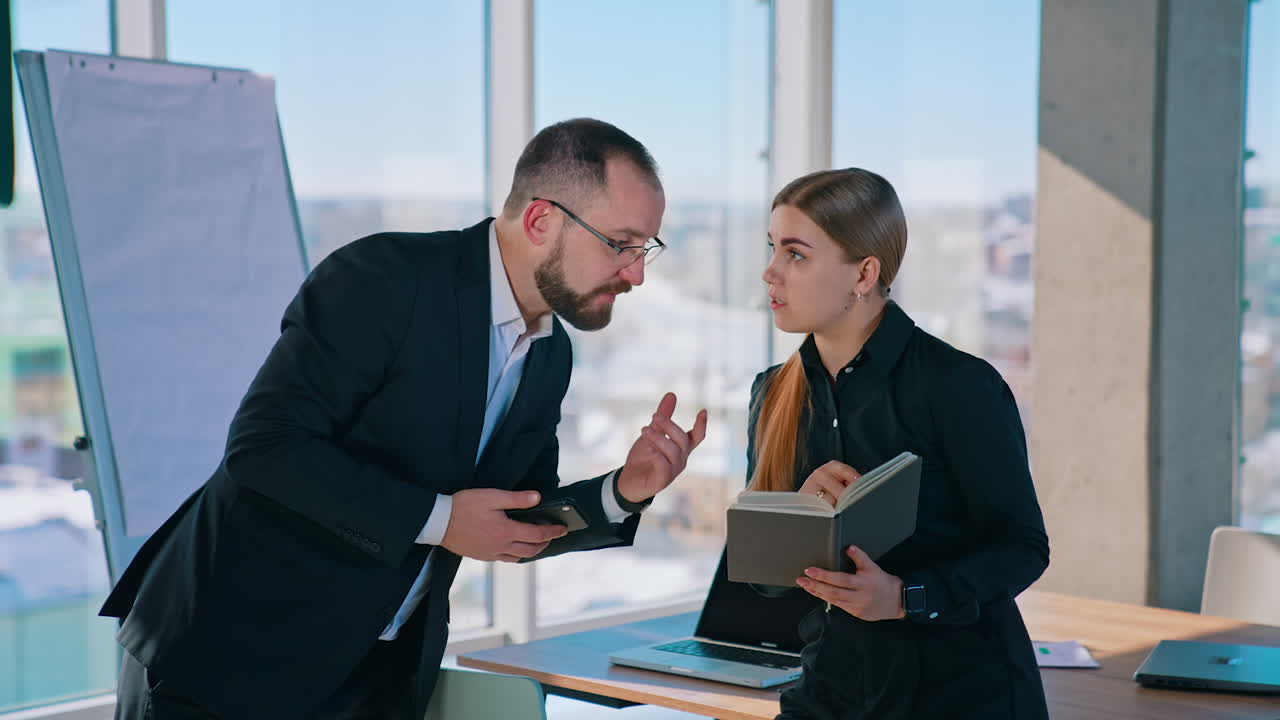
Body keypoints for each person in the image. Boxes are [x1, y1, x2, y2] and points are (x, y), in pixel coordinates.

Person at [102, 117, 709, 720]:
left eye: (645, 248)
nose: (637, 273)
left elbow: (513, 520)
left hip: (376, 676)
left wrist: (624, 491)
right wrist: (440, 519)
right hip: (231, 655)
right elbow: (266, 447)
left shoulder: (550, 351)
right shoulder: (384, 278)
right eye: (621, 244)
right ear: (541, 220)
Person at [745, 168, 1050, 719]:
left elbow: (1022, 547)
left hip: (962, 700)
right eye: (773, 248)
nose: (770, 272)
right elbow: (766, 587)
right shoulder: (772, 394)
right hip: (827, 698)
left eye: (795, 254)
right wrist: (799, 514)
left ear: (864, 272)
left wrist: (907, 598)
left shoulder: (958, 386)